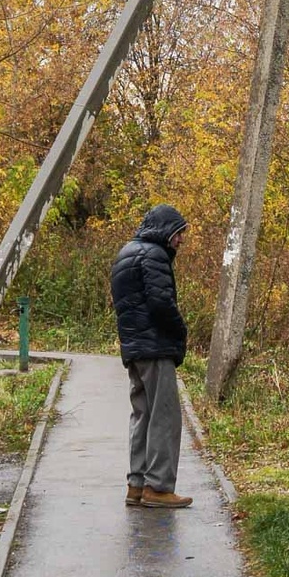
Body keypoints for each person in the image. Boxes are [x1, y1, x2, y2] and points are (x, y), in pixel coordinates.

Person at [110, 204, 193, 509]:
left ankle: (137, 485)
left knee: (142, 414)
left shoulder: (125, 254)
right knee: (164, 415)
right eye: (179, 233)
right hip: (156, 347)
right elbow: (161, 304)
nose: (181, 240)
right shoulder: (154, 255)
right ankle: (158, 487)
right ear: (165, 231)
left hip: (134, 349)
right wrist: (181, 331)